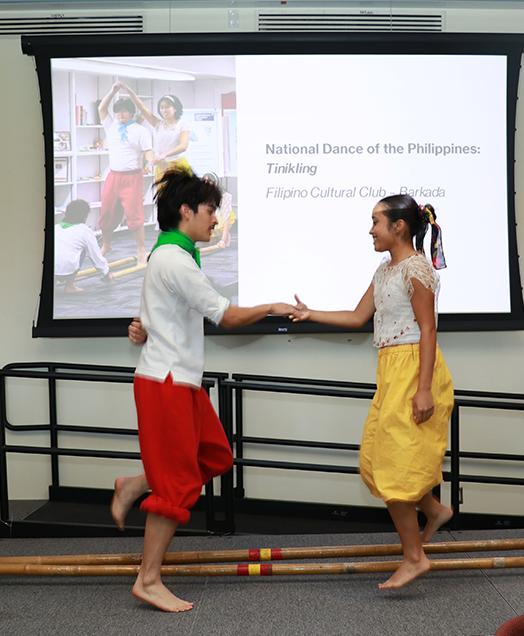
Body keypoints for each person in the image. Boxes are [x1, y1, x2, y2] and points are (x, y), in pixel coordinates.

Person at [110, 167, 296, 613]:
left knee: (215, 457)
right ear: (186, 211)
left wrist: (141, 329)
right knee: (175, 487)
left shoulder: (176, 256)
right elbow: (226, 317)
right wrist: (272, 306)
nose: (217, 219)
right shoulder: (174, 260)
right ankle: (148, 579)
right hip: (167, 384)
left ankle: (135, 483)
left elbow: (152, 318)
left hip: (180, 381)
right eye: (211, 210)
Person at [289, 194, 453, 590]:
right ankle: (434, 510)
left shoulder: (417, 269)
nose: (371, 229)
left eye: (376, 221)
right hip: (391, 371)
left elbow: (428, 330)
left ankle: (414, 557)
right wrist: (311, 314)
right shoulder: (385, 270)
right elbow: (359, 316)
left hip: (415, 371)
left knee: (396, 469)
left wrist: (424, 389)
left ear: (399, 226)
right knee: (377, 459)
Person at [97, 81, 155, 259]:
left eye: (124, 111)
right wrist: (112, 91)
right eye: (118, 111)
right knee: (107, 213)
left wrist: (152, 160)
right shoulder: (111, 125)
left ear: (131, 112)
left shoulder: (141, 131)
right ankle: (107, 245)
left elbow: (148, 152)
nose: (120, 114)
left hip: (132, 178)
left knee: (134, 215)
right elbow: (101, 108)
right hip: (113, 177)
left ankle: (141, 250)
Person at [127, 90, 191, 179]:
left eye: (167, 107)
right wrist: (130, 92)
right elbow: (143, 108)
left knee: (180, 192)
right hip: (162, 167)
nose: (164, 110)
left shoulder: (182, 125)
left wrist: (164, 155)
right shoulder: (158, 124)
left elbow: (183, 146)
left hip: (178, 165)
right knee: (163, 192)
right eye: (162, 107)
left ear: (175, 108)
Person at [54, 199, 113, 293]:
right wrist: (106, 274)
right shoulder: (85, 230)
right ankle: (69, 286)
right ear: (85, 216)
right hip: (67, 270)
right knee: (82, 250)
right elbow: (95, 256)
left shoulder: (55, 227)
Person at [202, 173, 234, 248]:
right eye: (204, 181)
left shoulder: (224, 196)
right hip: (208, 218)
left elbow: (226, 217)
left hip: (220, 218)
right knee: (208, 243)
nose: (206, 183)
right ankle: (216, 237)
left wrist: (223, 240)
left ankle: (224, 236)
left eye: (209, 181)